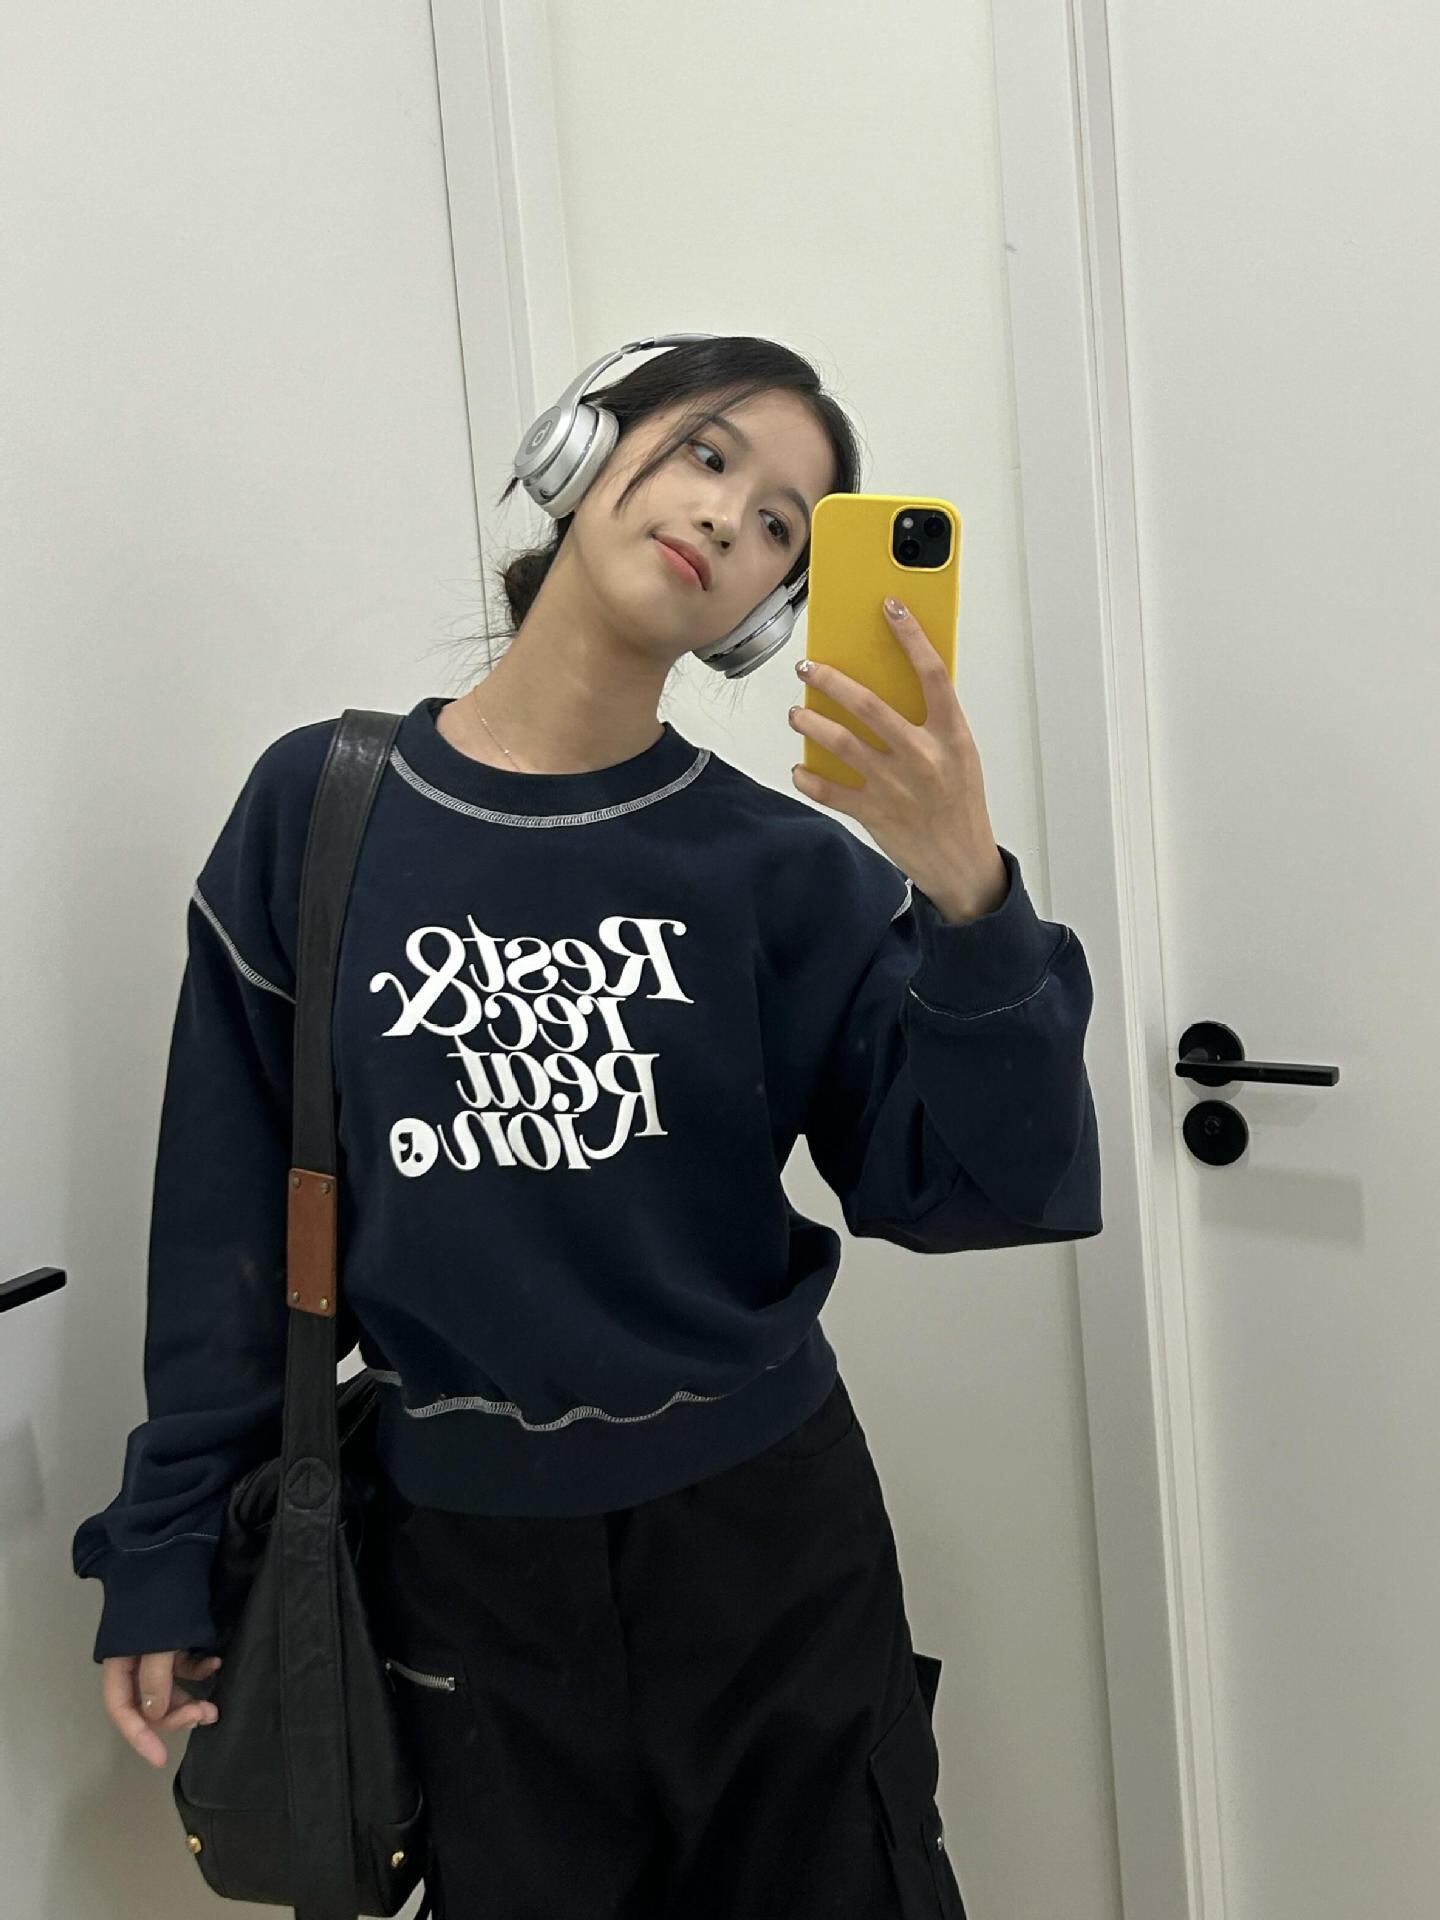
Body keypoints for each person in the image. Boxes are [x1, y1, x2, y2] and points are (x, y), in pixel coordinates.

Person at [72, 335, 1102, 1915]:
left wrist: (969, 895)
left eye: (780, 524)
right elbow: (223, 1218)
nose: (730, 518)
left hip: (768, 1543)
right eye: (709, 454)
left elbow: (985, 1186)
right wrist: (164, 1546)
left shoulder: (782, 870)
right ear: (583, 445)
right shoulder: (321, 813)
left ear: (766, 608)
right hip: (465, 1571)